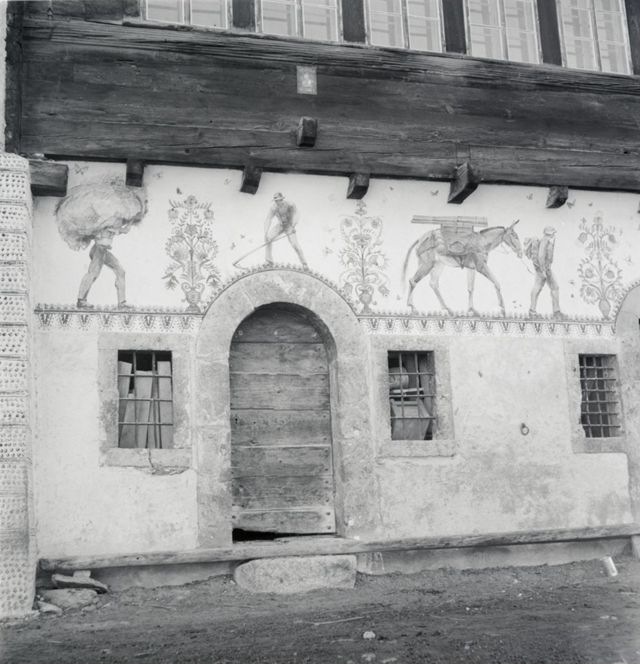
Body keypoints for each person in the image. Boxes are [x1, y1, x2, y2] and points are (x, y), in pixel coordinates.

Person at [76, 226, 131, 309]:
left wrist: (130, 222)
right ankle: (81, 300)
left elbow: (124, 230)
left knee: (120, 271)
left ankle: (122, 302)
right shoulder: (103, 224)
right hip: (98, 250)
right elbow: (92, 232)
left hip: (103, 251)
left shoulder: (113, 224)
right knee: (93, 274)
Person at [264, 192, 308, 268]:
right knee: (268, 238)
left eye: (278, 200)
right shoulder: (273, 208)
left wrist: (293, 226)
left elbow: (297, 214)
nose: (277, 202)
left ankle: (304, 263)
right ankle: (269, 261)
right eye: (275, 201)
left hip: (289, 226)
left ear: (282, 199)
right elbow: (268, 219)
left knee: (295, 244)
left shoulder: (290, 205)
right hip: (281, 225)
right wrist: (266, 232)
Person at [527, 226, 562, 318]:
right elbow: (541, 256)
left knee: (554, 287)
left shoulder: (548, 241)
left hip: (546, 269)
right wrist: (543, 271)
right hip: (543, 270)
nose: (554, 234)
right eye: (553, 233)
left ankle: (556, 311)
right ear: (550, 233)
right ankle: (533, 312)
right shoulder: (545, 241)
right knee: (538, 288)